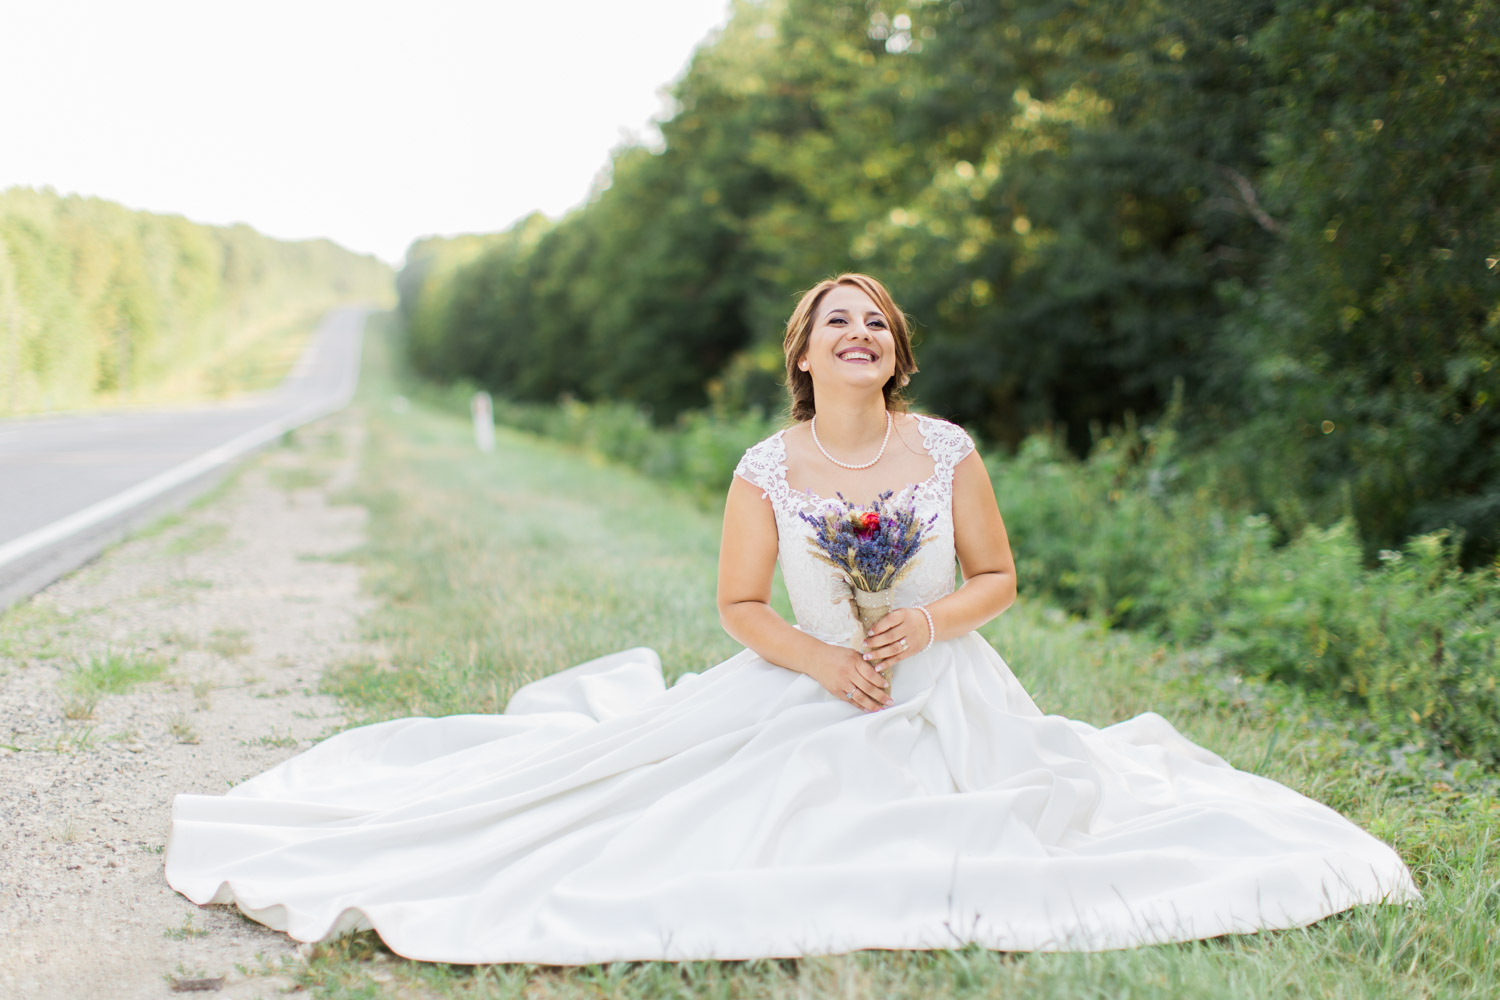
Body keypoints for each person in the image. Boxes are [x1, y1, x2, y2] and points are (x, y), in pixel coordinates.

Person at [166, 273, 1419, 965]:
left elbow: (999, 577)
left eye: (877, 322)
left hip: (949, 686)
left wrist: (928, 627)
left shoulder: (947, 449)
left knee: (1031, 812)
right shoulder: (766, 469)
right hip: (806, 681)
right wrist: (822, 658)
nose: (860, 332)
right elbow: (736, 604)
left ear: (897, 356)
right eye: (838, 320)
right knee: (712, 817)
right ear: (805, 355)